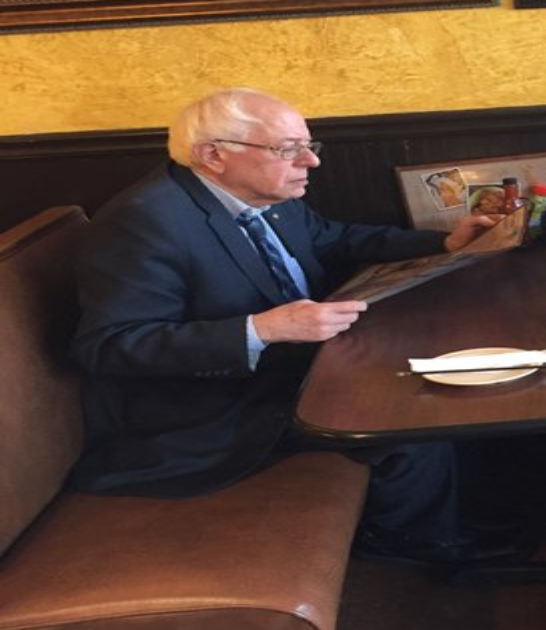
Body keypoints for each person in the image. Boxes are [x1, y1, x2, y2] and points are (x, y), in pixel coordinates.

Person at [68, 87, 517, 565]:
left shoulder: (266, 193)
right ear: (213, 155)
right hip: (212, 412)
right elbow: (111, 346)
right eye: (287, 149)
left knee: (441, 377)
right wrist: (261, 329)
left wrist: (444, 242)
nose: (311, 161)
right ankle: (420, 546)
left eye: (308, 145)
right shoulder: (145, 223)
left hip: (296, 367)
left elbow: (335, 239)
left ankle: (460, 515)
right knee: (404, 417)